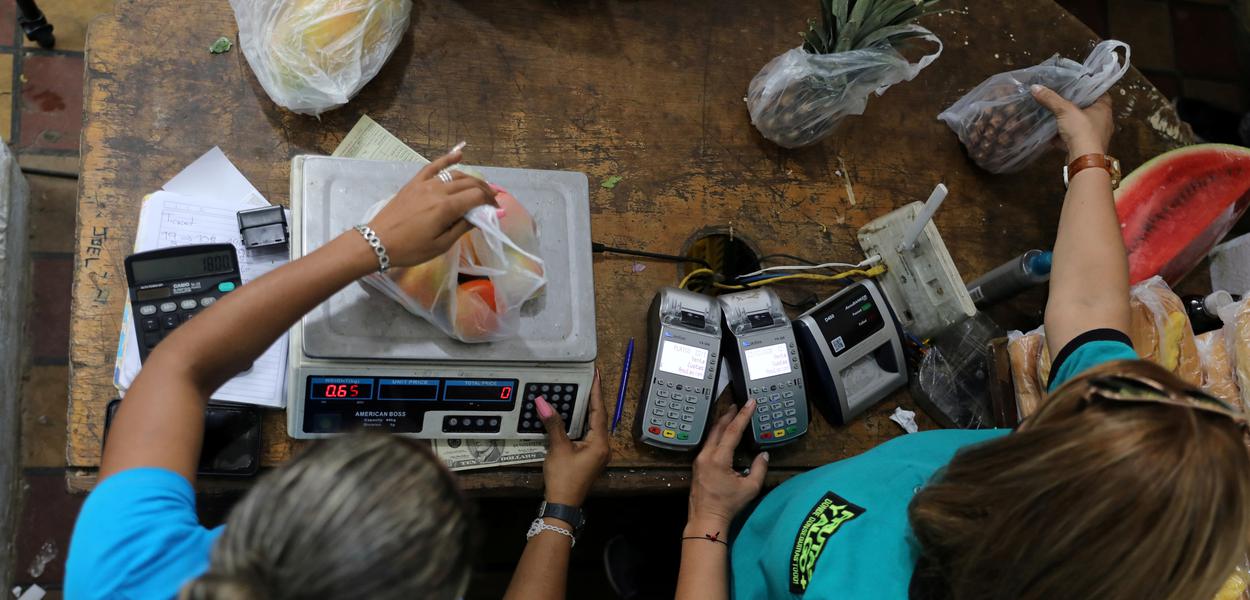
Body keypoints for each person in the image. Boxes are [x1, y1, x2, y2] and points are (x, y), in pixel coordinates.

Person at [674, 87, 1250, 600]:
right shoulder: (1104, 490)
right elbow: (1090, 310)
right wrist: (1088, 155)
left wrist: (707, 519)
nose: (1090, 372)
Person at [65, 149, 611, 599]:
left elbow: (177, 364)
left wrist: (373, 242)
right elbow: (181, 368)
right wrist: (561, 507)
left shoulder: (119, 571)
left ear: (261, 514)